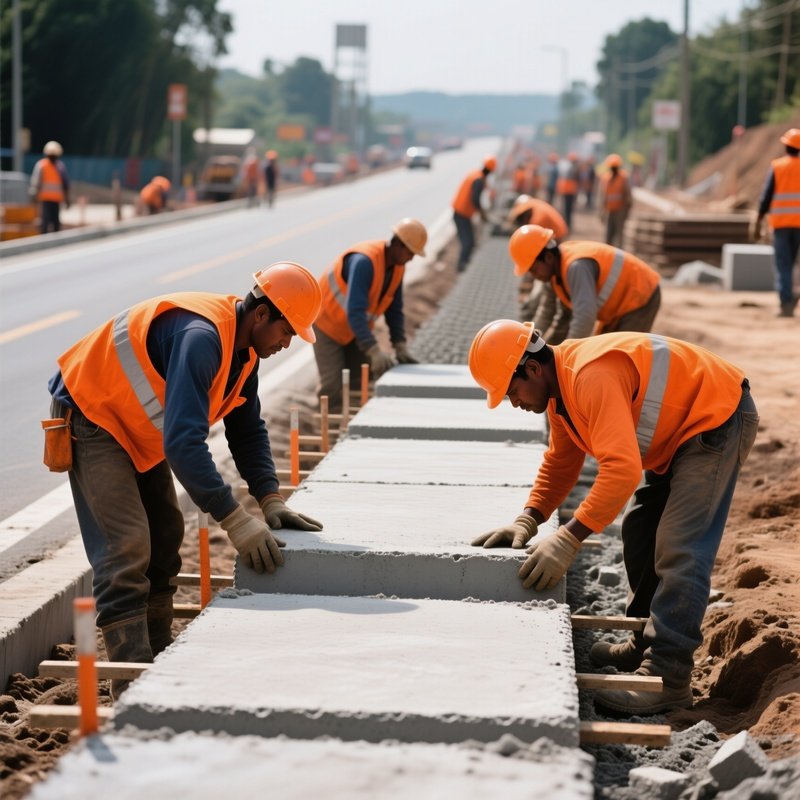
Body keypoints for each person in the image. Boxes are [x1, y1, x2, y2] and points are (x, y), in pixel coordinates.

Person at [47, 262, 323, 697]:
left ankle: (157, 654)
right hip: (93, 412)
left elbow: (247, 429)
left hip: (135, 425)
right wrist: (234, 519)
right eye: (287, 332)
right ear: (262, 314)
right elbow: (184, 445)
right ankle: (132, 683)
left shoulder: (245, 351)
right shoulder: (202, 339)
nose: (287, 344)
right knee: (127, 547)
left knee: (166, 533)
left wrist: (270, 499)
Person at [468, 319, 758, 714]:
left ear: (533, 369)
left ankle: (667, 676)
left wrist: (569, 538)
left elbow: (620, 471)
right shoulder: (559, 395)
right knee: (640, 528)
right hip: (682, 431)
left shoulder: (589, 376)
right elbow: (561, 462)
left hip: (716, 418)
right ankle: (644, 642)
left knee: (680, 545)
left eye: (511, 391)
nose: (512, 402)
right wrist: (528, 519)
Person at [312, 219, 428, 411]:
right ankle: (329, 424)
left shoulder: (398, 267)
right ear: (398, 245)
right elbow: (356, 311)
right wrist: (373, 349)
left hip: (353, 328)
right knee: (332, 384)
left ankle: (354, 414)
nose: (412, 258)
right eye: (410, 253)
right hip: (327, 324)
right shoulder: (364, 262)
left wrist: (399, 344)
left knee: (361, 376)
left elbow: (394, 309)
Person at [509, 224, 661, 345]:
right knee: (602, 352)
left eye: (534, 270)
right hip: (618, 306)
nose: (534, 276)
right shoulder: (554, 276)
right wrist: (530, 344)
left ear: (548, 257)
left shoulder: (576, 267)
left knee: (619, 356)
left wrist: (565, 354)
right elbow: (548, 314)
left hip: (640, 296)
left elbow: (584, 319)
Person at [753, 127, 800, 317]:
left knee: (783, 264)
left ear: (786, 146)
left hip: (781, 224)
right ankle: (790, 295)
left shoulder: (777, 166)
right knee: (793, 263)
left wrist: (759, 217)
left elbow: (766, 196)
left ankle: (786, 302)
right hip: (799, 224)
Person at [452, 156, 496, 272]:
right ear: (491, 171)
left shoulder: (475, 174)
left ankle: (464, 264)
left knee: (468, 241)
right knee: (468, 242)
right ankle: (462, 266)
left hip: (461, 213)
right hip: (461, 214)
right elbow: (475, 199)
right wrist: (482, 214)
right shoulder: (478, 180)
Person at [30, 140, 70, 234]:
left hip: (56, 200)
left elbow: (65, 184)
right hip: (45, 200)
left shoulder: (60, 167)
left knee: (55, 223)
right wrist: (33, 196)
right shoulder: (42, 165)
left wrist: (67, 199)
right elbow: (36, 183)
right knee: (45, 222)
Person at [599, 154, 633, 248]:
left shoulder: (623, 178)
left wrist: (627, 211)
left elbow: (628, 195)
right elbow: (603, 196)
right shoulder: (606, 178)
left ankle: (619, 252)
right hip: (610, 210)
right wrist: (602, 211)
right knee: (609, 234)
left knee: (619, 235)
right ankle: (608, 251)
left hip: (620, 210)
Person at [556, 153, 580, 230]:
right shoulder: (573, 168)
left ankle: (566, 224)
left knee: (566, 209)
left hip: (567, 191)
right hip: (570, 191)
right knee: (568, 210)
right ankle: (566, 225)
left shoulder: (567, 167)